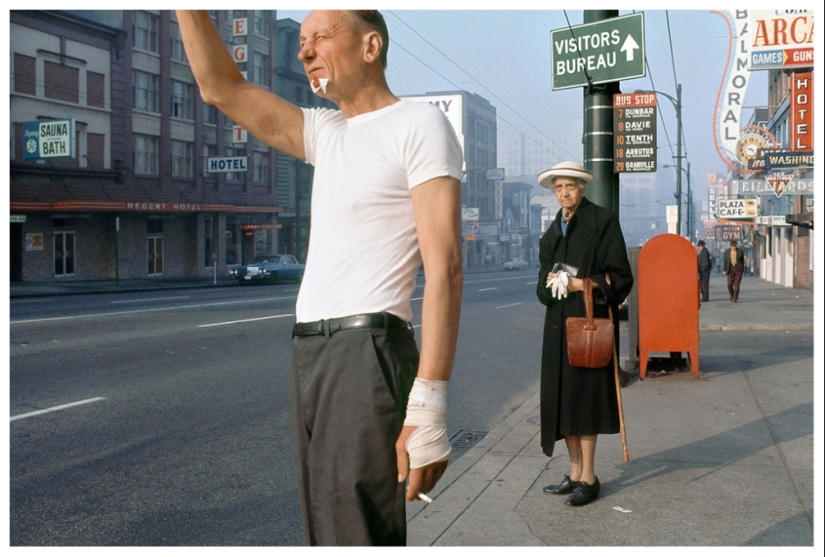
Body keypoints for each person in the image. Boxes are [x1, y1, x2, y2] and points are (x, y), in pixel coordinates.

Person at [177, 10, 464, 546]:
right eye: (302, 41)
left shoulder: (419, 125)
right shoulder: (326, 130)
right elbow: (220, 87)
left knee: (353, 531)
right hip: (310, 353)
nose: (304, 52)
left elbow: (445, 265)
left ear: (371, 46)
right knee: (326, 531)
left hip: (365, 350)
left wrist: (429, 406)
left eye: (321, 38)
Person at [535, 161, 634, 507]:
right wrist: (551, 286)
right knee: (563, 400)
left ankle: (590, 476)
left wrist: (583, 284)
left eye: (570, 187)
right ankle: (574, 472)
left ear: (583, 188)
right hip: (557, 330)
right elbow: (540, 287)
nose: (564, 193)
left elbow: (621, 277)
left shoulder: (602, 222)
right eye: (558, 188)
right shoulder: (552, 233)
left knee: (585, 399)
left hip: (588, 327)